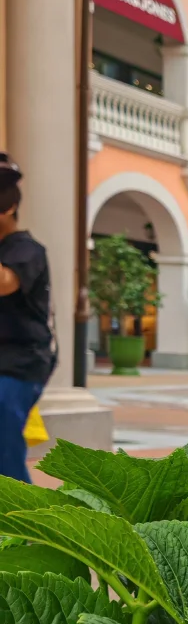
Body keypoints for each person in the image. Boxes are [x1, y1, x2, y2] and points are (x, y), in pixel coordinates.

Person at [0, 155, 54, 482]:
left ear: (8, 208)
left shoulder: (27, 249)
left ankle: (22, 512)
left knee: (3, 450)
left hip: (18, 364)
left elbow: (5, 283)